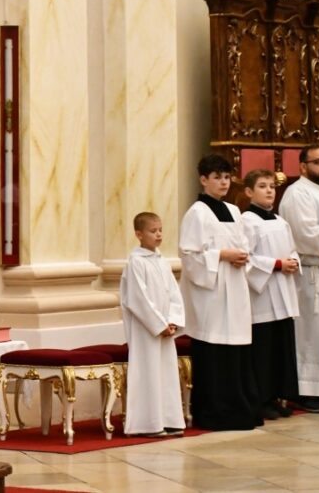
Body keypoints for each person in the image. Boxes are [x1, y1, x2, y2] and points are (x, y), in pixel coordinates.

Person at [178, 153, 259, 430]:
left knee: (237, 350)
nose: (224, 183)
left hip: (234, 286)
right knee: (214, 352)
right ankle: (214, 412)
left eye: (227, 177)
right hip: (212, 292)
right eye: (217, 178)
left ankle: (240, 409)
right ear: (203, 180)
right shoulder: (197, 213)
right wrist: (222, 255)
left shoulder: (235, 211)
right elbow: (189, 255)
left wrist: (242, 256)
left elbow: (244, 244)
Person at [278, 144, 319, 413]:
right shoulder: (297, 193)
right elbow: (307, 235)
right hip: (314, 275)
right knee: (315, 334)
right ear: (303, 166)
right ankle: (308, 391)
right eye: (318, 162)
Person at [241, 168, 301, 419]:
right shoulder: (247, 221)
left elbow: (292, 249)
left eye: (272, 187)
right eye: (262, 186)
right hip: (263, 296)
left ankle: (278, 396)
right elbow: (246, 259)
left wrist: (293, 261)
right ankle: (261, 399)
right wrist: (276, 264)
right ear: (248, 191)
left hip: (283, 291)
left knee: (281, 348)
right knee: (263, 349)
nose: (269, 191)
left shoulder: (280, 220)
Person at [119, 212, 185, 437]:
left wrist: (173, 320)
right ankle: (147, 424)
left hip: (165, 328)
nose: (158, 235)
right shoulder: (135, 263)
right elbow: (138, 298)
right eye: (153, 231)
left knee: (166, 373)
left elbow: (174, 293)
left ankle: (169, 419)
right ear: (139, 234)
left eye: (160, 230)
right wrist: (158, 324)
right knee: (148, 372)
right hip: (146, 331)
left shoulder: (161, 261)